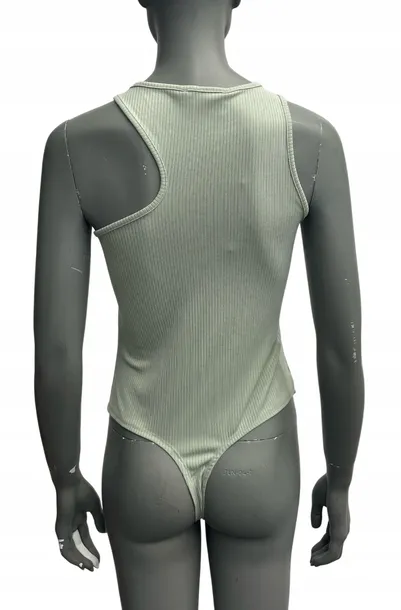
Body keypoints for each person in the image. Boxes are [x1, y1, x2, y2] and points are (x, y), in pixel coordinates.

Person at [33, 1, 365, 608]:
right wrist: (341, 476)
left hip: (142, 454)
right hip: (260, 448)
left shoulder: (76, 145)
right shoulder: (310, 141)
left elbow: (56, 351)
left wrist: (64, 476)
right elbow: (342, 350)